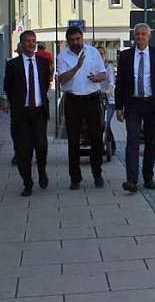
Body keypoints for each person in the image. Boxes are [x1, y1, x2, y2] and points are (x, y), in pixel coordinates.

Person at [114, 23, 155, 192]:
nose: (139, 37)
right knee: (132, 140)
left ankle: (148, 177)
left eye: (143, 34)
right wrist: (119, 107)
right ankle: (132, 180)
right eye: (137, 34)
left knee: (151, 142)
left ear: (149, 36)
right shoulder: (126, 56)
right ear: (133, 36)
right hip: (133, 104)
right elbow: (120, 84)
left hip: (153, 104)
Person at [56, 25, 107, 190]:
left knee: (96, 138)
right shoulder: (62, 56)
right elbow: (62, 79)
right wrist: (77, 67)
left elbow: (103, 74)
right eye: (71, 40)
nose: (75, 43)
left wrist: (96, 77)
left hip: (92, 99)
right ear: (67, 41)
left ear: (82, 37)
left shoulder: (93, 52)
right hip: (73, 100)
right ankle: (75, 177)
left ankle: (97, 173)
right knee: (73, 141)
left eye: (77, 39)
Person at [3, 30, 52, 197]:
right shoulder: (13, 65)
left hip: (38, 110)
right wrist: (12, 102)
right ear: (21, 44)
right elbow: (8, 87)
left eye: (33, 41)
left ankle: (42, 171)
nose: (31, 44)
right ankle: (27, 182)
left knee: (41, 145)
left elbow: (45, 84)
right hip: (21, 113)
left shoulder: (43, 63)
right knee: (24, 149)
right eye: (28, 41)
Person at [97, 46, 116, 155]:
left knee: (106, 123)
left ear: (105, 55)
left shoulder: (108, 67)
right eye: (98, 54)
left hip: (109, 100)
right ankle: (110, 144)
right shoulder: (94, 68)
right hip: (97, 98)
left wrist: (108, 91)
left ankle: (110, 146)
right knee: (101, 123)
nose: (100, 56)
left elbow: (111, 82)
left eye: (102, 54)